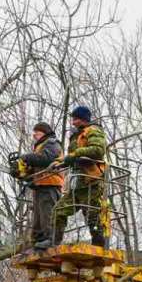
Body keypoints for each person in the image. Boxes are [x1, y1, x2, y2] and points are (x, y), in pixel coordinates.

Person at [51, 105, 109, 248]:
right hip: (76, 183)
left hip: (91, 181)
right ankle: (53, 243)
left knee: (92, 216)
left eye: (75, 119)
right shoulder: (76, 135)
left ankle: (98, 246)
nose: (73, 122)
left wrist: (76, 154)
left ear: (83, 119)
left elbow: (98, 150)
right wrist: (58, 163)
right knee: (59, 210)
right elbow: (71, 158)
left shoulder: (94, 131)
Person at [18, 122, 64, 250]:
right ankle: (38, 240)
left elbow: (46, 159)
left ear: (44, 132)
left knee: (48, 213)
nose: (34, 136)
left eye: (36, 133)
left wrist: (27, 157)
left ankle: (51, 239)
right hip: (40, 184)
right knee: (38, 216)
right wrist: (23, 173)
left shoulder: (52, 143)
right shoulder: (39, 147)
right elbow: (36, 166)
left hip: (50, 183)